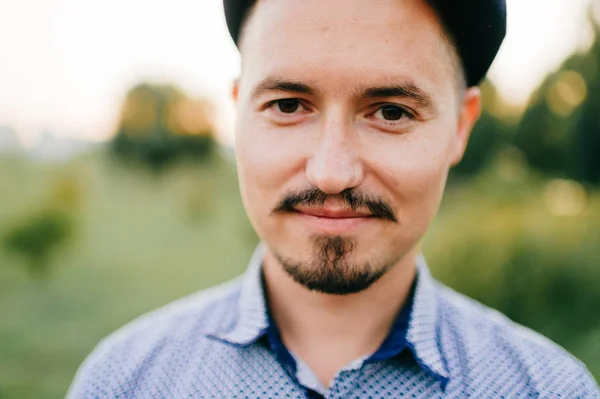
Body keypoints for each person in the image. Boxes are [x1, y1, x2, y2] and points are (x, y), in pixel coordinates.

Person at [68, 0, 600, 398]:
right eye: (288, 104)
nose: (331, 173)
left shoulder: (550, 389)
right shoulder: (124, 381)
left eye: (391, 112)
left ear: (460, 127)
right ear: (237, 113)